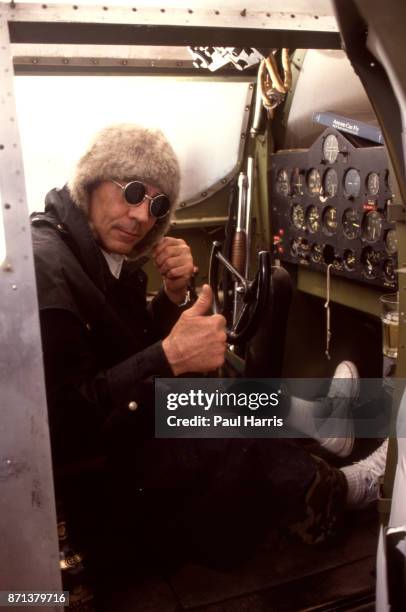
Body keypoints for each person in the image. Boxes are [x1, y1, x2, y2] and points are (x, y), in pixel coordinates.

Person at [31, 123, 387, 577]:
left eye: (156, 205)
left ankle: (324, 425)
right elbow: (63, 426)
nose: (141, 216)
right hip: (93, 479)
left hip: (117, 430)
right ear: (91, 181)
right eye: (132, 191)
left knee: (219, 391)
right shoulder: (49, 268)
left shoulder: (86, 252)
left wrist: (172, 297)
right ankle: (349, 491)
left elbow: (120, 344)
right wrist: (168, 358)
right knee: (218, 424)